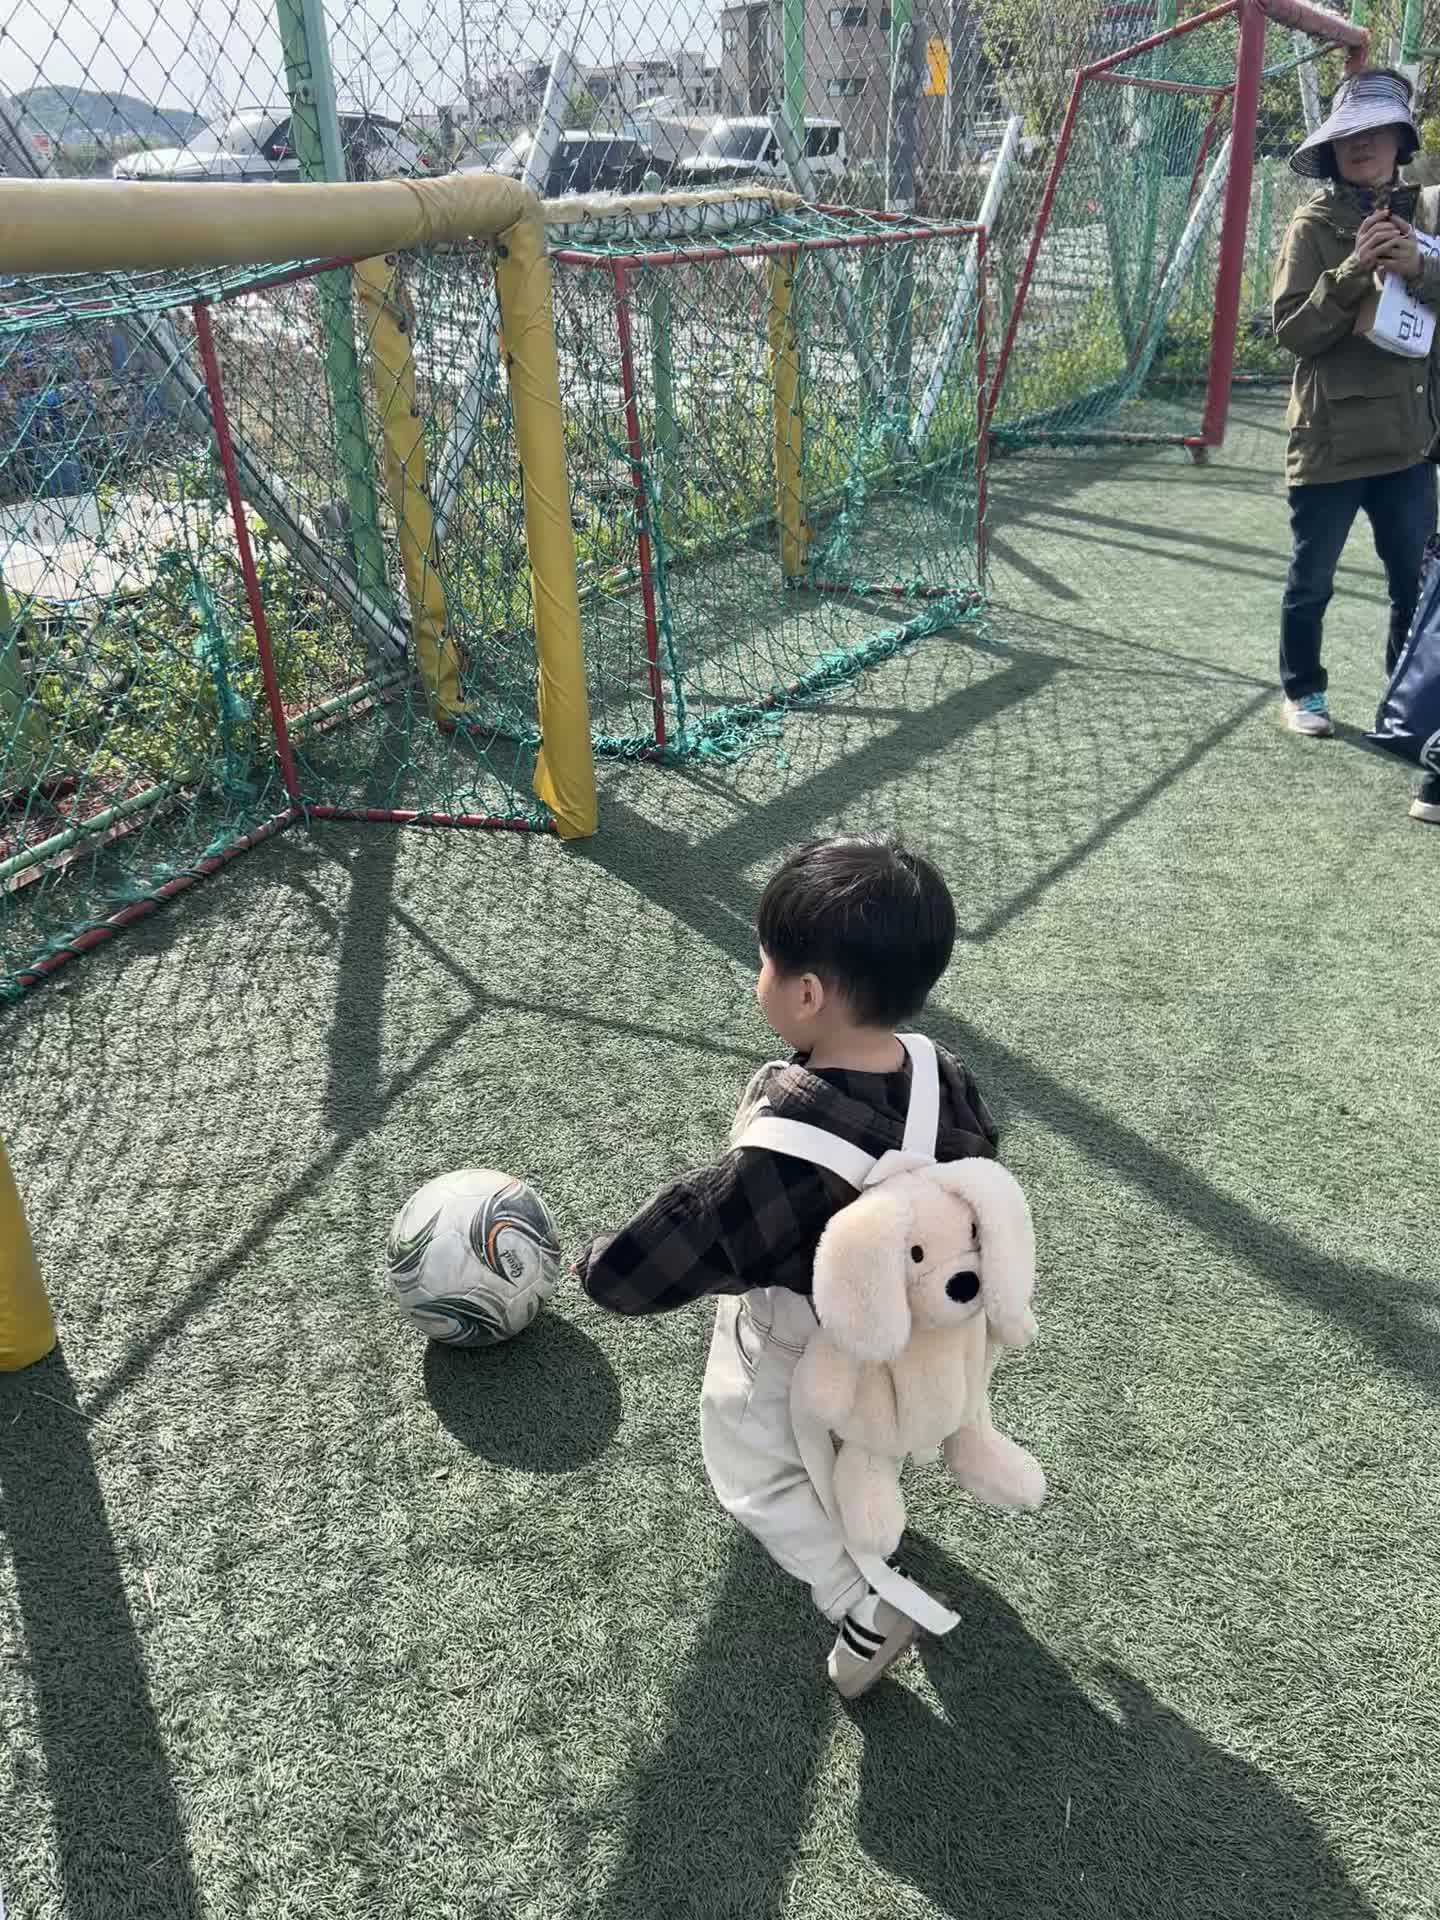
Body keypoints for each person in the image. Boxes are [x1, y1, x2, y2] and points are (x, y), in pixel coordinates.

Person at [575, 834, 1004, 1696]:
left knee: (756, 1470)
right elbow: (978, 1167)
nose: (758, 975)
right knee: (855, 1438)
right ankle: (871, 1501)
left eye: (765, 960)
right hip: (913, 1335)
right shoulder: (943, 1072)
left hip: (801, 1347)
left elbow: (686, 1243)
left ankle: (860, 1600)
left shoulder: (786, 1156)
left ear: (808, 995)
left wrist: (597, 1268)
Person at [1273, 64, 1440, 825]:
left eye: (1376, 132)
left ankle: (1402, 703)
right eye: (1349, 135)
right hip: (1331, 439)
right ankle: (1303, 690)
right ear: (1332, 150)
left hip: (1408, 438)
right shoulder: (1312, 226)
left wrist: (1421, 265)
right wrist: (1350, 271)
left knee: (1413, 583)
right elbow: (1292, 332)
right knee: (1312, 579)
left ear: (1401, 141)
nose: (1362, 145)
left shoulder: (1429, 212)